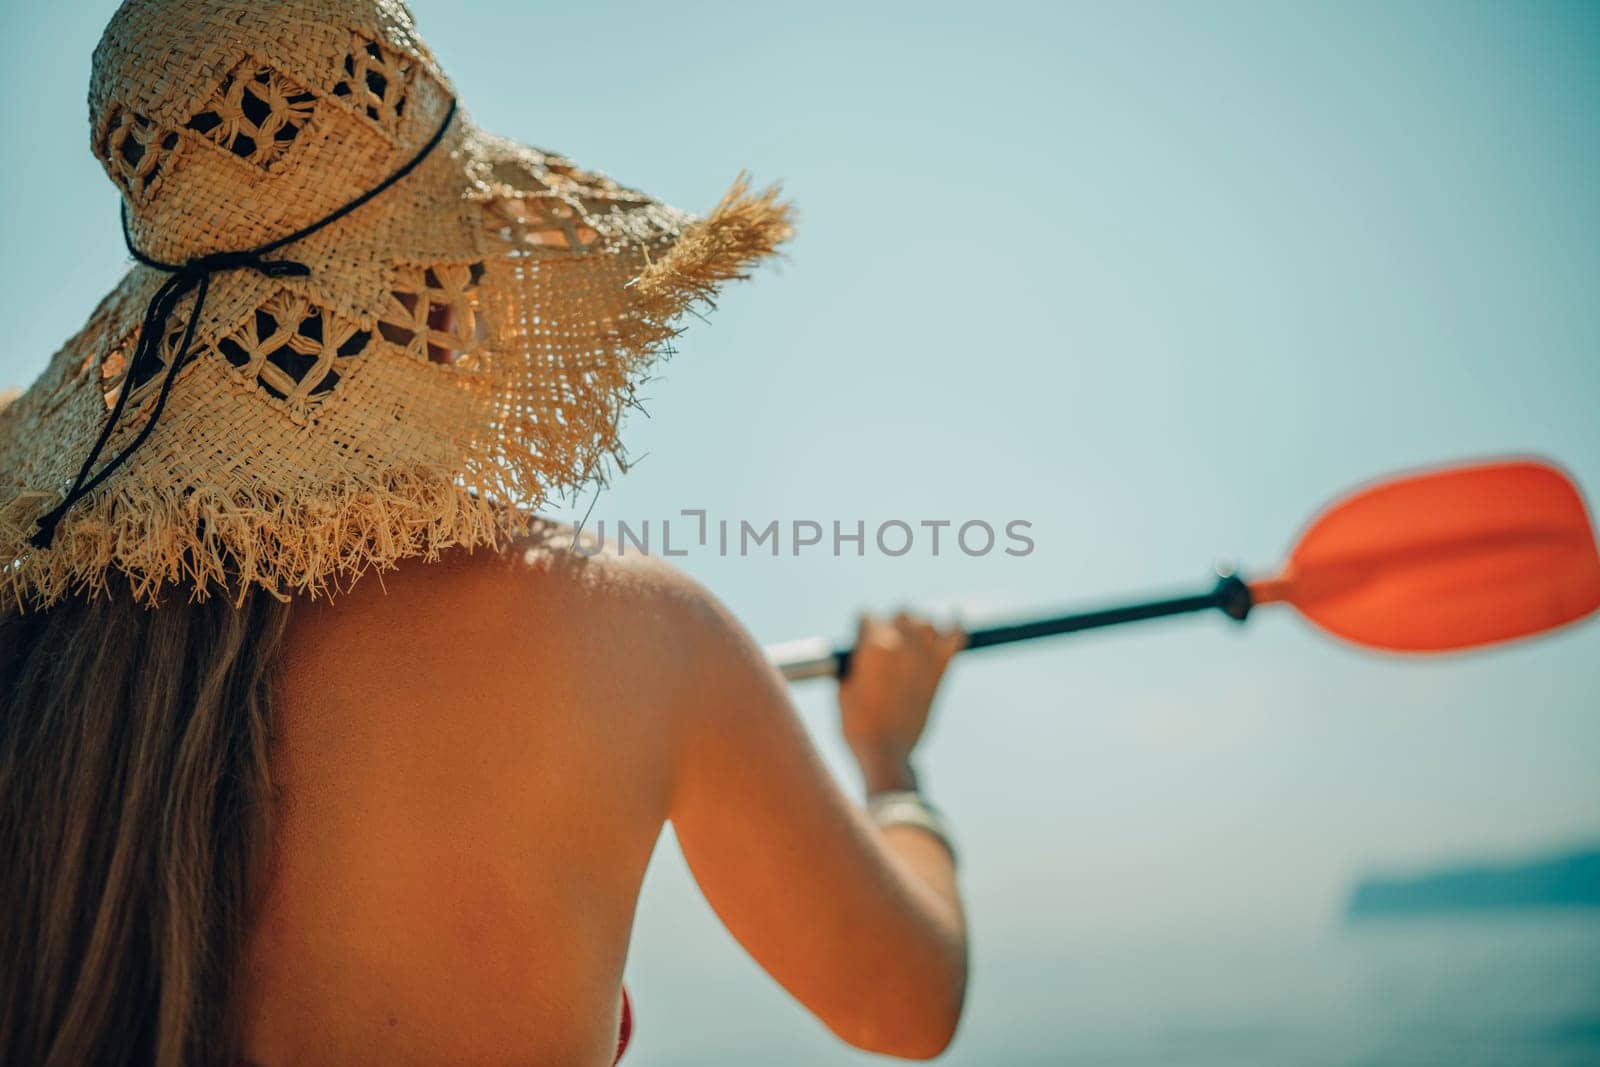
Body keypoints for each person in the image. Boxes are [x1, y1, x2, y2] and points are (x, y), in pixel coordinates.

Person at [0, 2, 970, 1064]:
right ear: (452, 294)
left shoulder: (40, 638)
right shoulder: (625, 629)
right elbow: (905, 1003)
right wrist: (889, 761)